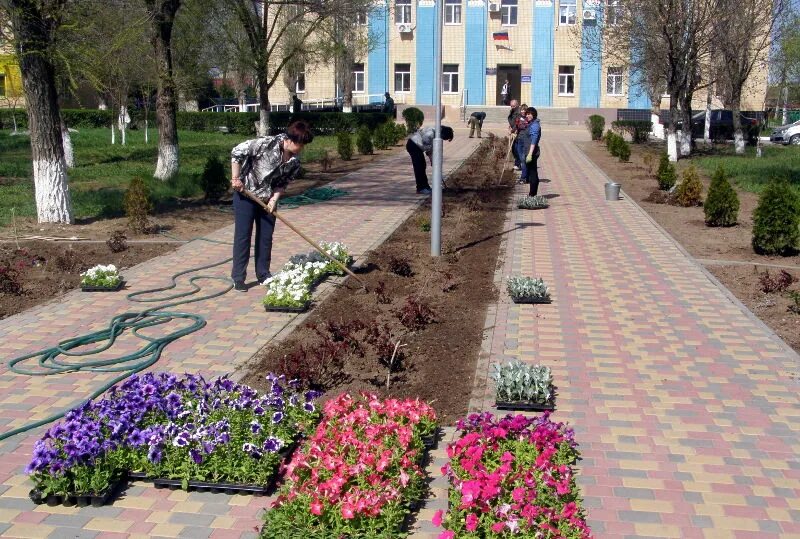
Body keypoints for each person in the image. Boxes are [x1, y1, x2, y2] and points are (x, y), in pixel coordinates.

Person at [229, 120, 314, 292]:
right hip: (246, 194)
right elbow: (237, 151)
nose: (301, 148)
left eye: (303, 145)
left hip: (268, 200)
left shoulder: (294, 162)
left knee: (266, 238)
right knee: (243, 237)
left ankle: (263, 274)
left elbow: (283, 182)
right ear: (289, 139)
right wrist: (236, 178)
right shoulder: (266, 144)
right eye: (299, 143)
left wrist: (274, 200)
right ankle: (238, 278)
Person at [406, 125, 455, 194]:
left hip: (417, 146)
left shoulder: (436, 131)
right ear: (443, 134)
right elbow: (427, 147)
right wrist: (432, 159)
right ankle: (421, 188)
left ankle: (425, 187)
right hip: (414, 145)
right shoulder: (431, 133)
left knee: (422, 166)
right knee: (419, 167)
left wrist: (433, 159)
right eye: (444, 138)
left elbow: (431, 147)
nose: (442, 139)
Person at [525, 107, 542, 196]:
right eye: (527, 114)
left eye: (529, 114)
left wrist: (530, 154)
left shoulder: (535, 125)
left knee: (533, 173)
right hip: (528, 151)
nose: (528, 115)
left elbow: (534, 140)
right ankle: (532, 194)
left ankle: (532, 194)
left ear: (534, 115)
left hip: (532, 152)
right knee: (532, 172)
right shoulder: (531, 123)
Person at [514, 106, 531, 184]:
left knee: (523, 160)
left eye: (524, 110)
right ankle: (526, 176)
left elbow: (524, 126)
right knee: (521, 159)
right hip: (519, 140)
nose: (523, 111)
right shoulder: (519, 118)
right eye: (522, 110)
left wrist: (521, 125)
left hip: (525, 141)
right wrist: (512, 131)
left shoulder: (528, 119)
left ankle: (523, 177)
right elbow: (516, 126)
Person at [507, 100, 521, 169]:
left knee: (516, 148)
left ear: (517, 105)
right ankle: (518, 162)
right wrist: (510, 125)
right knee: (513, 148)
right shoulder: (512, 111)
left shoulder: (519, 112)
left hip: (518, 132)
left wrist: (513, 130)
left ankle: (518, 164)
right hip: (513, 131)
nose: (512, 107)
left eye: (514, 106)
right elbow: (512, 120)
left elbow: (517, 123)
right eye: (511, 106)